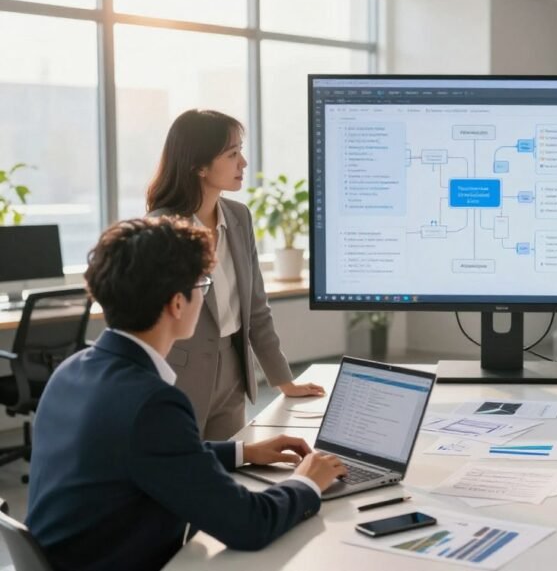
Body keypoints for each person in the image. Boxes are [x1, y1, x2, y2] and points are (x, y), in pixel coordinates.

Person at [26, 217, 347, 570]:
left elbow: (143, 451)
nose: (204, 295)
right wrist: (307, 483)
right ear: (177, 304)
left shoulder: (71, 371)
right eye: (202, 284)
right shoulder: (151, 403)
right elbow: (249, 524)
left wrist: (244, 452)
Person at [146, 109, 322, 440]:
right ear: (199, 165)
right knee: (184, 474)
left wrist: (284, 380)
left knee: (232, 470)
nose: (242, 163)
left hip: (232, 370)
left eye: (240, 150)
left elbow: (256, 307)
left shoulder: (239, 216)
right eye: (232, 154)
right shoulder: (163, 228)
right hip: (179, 372)